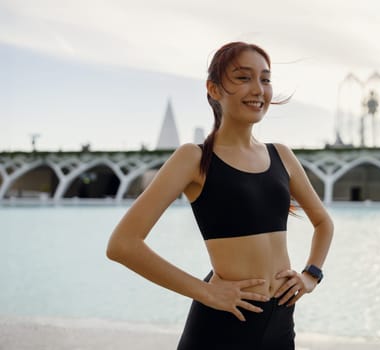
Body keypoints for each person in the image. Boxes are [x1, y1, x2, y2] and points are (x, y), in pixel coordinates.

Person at [106, 41, 334, 350]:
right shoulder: (194, 158)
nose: (258, 89)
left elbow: (323, 222)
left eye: (265, 79)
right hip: (222, 326)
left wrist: (311, 275)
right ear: (213, 89)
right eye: (243, 78)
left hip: (280, 322)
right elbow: (122, 245)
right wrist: (206, 292)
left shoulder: (281, 155)